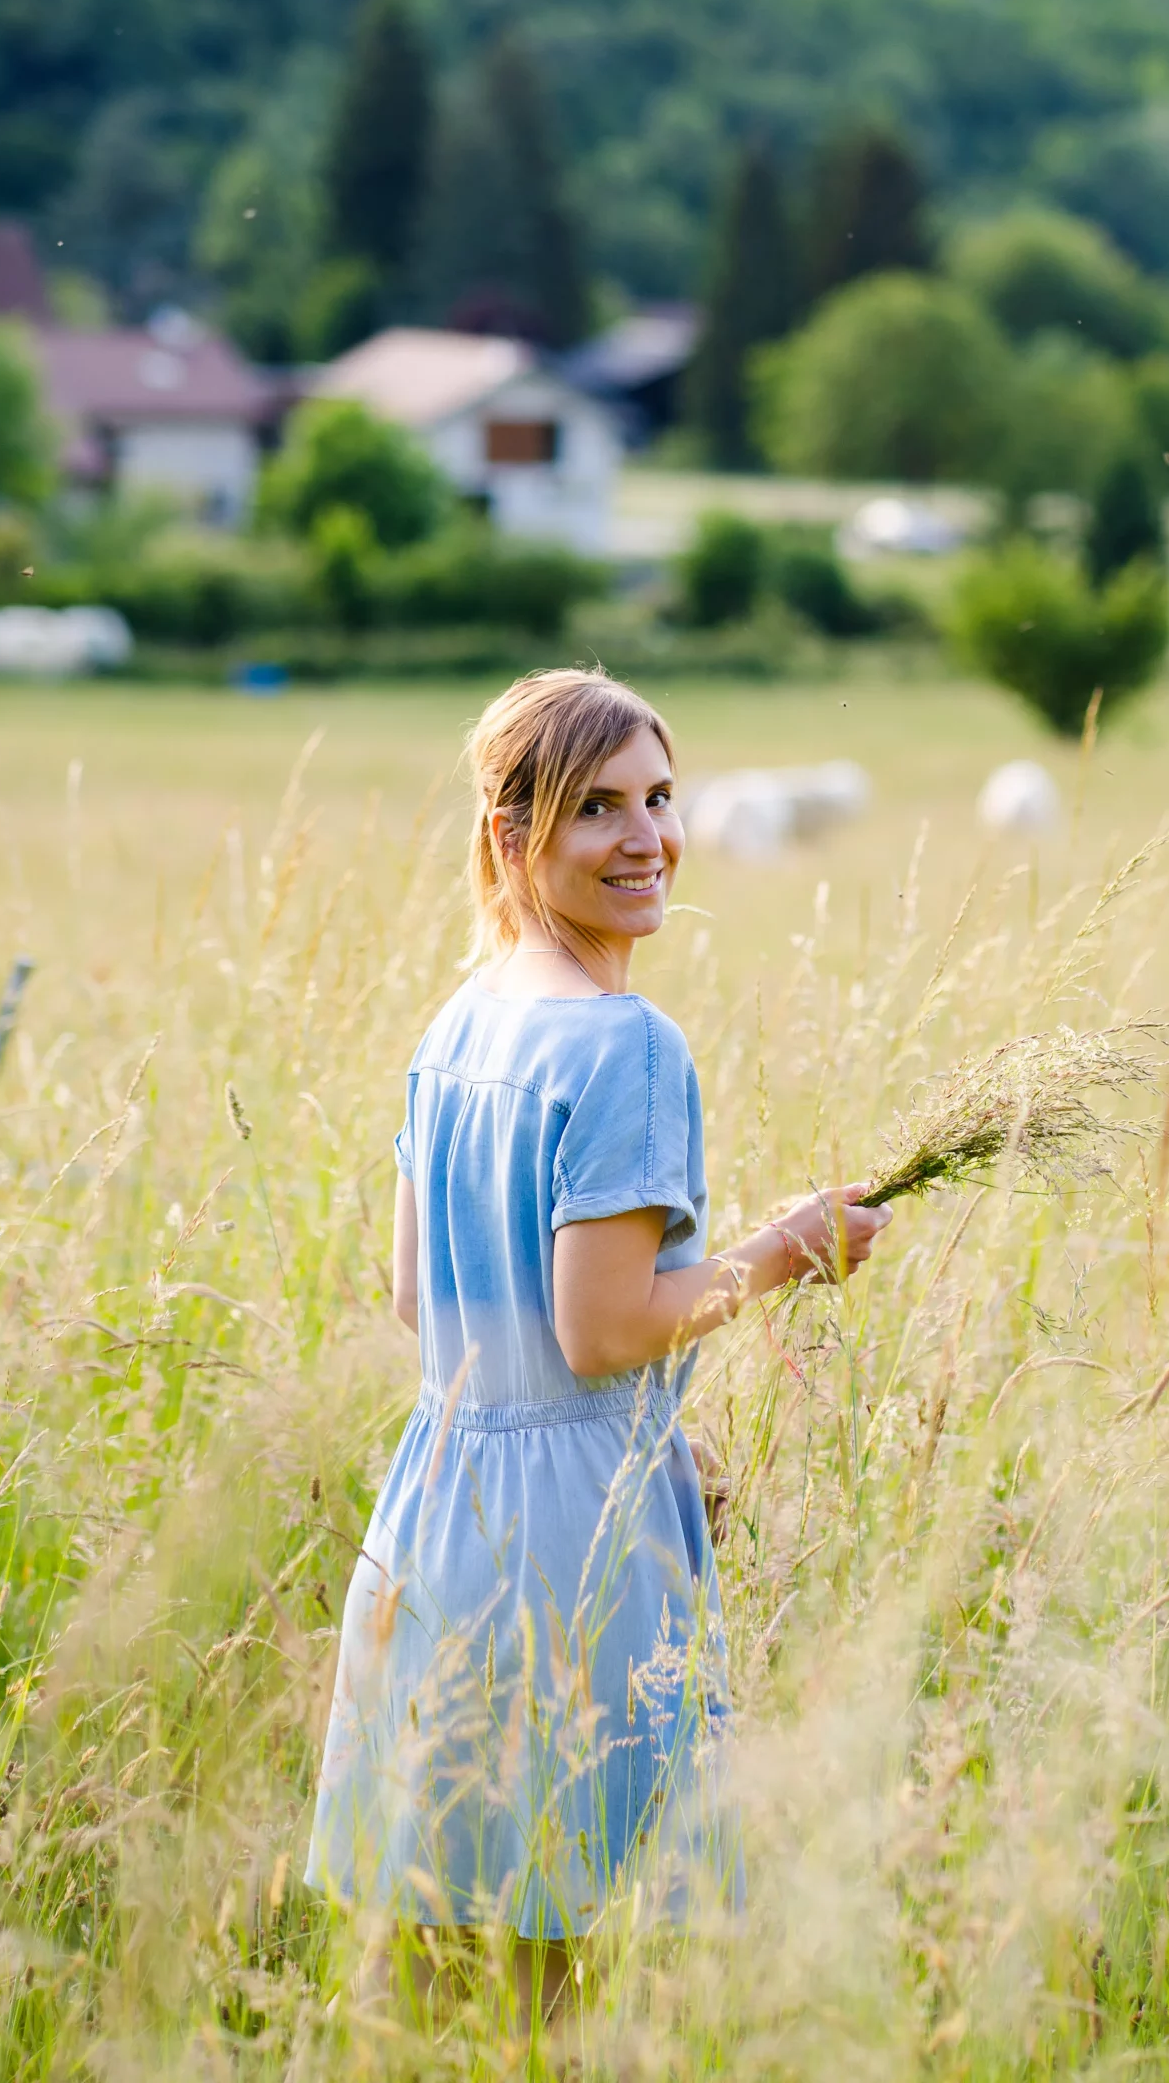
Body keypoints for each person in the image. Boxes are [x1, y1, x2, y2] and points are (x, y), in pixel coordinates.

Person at [306, 667, 892, 2030]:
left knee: (441, 1970)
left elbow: (416, 1297)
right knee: (564, 1985)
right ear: (511, 839)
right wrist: (782, 1252)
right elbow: (602, 1324)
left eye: (660, 798)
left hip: (436, 1514)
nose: (647, 840)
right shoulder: (624, 1045)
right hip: (564, 1553)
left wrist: (643, 1430)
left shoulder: (458, 1021)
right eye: (597, 810)